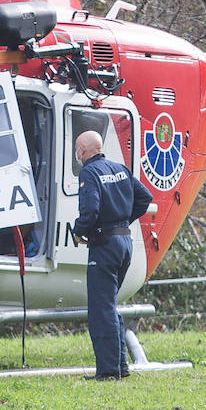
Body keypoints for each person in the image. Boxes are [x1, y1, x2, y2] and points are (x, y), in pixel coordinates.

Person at [72, 130, 152, 381]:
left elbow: (90, 209)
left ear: (82, 151)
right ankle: (121, 367)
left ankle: (107, 372)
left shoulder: (89, 172)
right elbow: (145, 197)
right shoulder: (120, 168)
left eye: (77, 150)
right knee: (109, 305)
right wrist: (123, 220)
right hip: (124, 241)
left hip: (104, 244)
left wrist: (79, 231)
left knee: (100, 309)